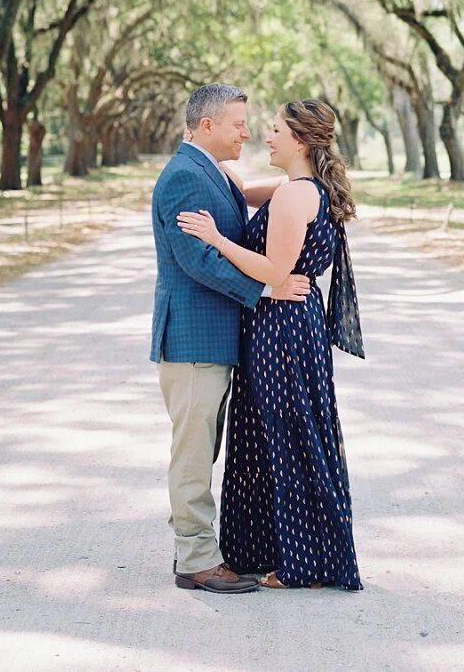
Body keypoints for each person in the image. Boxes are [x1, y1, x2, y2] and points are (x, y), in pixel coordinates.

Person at [177, 99, 365, 591]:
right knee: (275, 435)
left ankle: (304, 563)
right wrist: (212, 141)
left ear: (300, 141)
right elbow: (236, 184)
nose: (265, 135)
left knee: (285, 437)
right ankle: (281, 551)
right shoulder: (291, 188)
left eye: (276, 129)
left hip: (281, 326)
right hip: (286, 324)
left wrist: (217, 239)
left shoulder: (294, 197)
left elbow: (274, 272)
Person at [150, 83, 311, 595]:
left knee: (205, 448)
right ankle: (195, 560)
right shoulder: (182, 177)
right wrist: (269, 288)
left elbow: (251, 206)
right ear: (206, 127)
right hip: (192, 340)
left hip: (216, 341)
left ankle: (200, 546)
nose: (247, 131)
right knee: (194, 453)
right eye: (238, 123)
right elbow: (197, 261)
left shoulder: (212, 172)